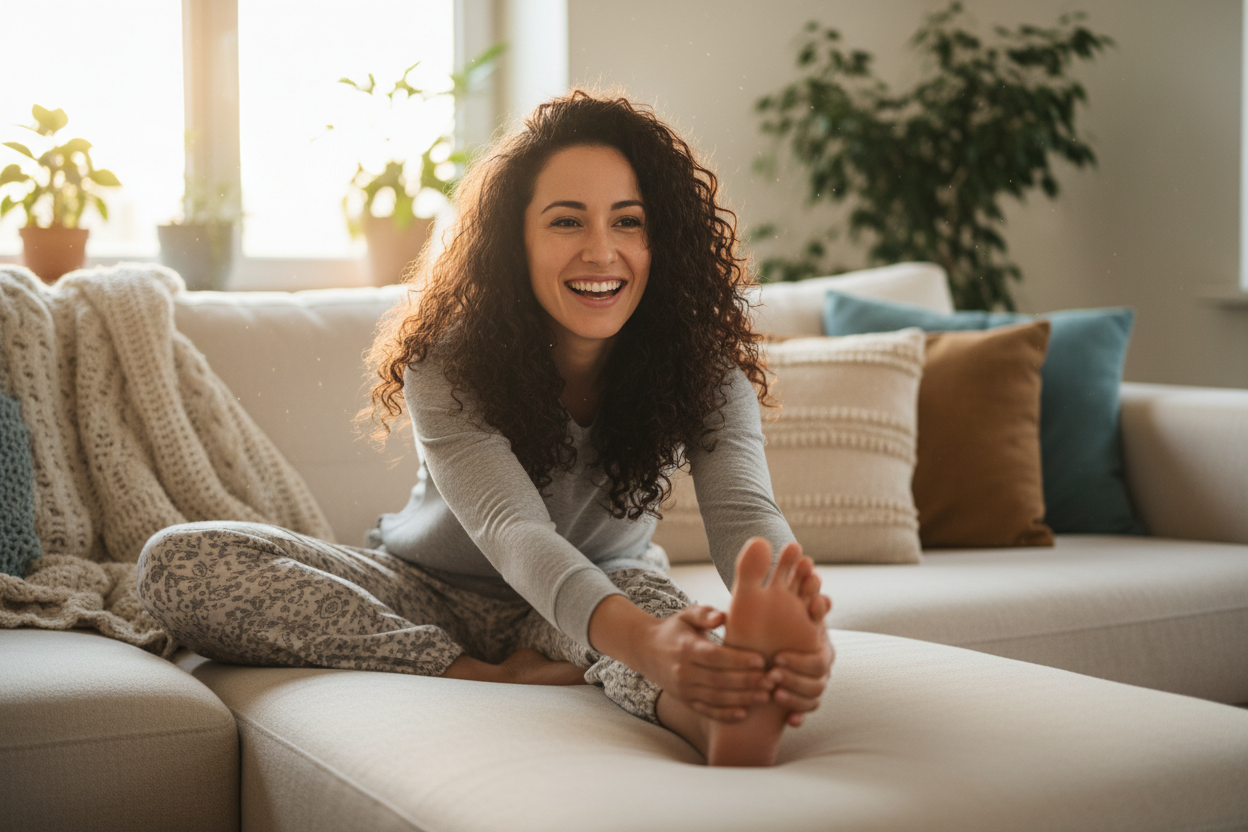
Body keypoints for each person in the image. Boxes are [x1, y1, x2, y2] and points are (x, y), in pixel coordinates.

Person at [137, 90, 833, 767]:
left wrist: (786, 618)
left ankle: (722, 715)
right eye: (567, 222)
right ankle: (476, 671)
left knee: (654, 619)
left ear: (665, 240)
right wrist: (637, 644)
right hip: (429, 594)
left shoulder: (703, 365)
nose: (601, 250)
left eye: (629, 221)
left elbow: (745, 510)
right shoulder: (446, 358)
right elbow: (514, 531)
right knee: (175, 561)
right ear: (513, 242)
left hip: (600, 582)